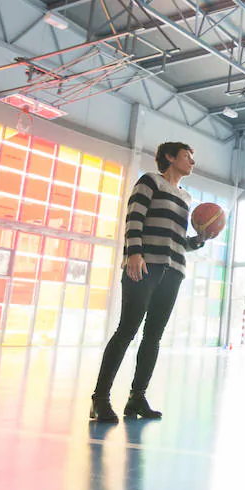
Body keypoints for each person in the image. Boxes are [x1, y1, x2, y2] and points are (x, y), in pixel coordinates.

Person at [91, 142, 210, 424]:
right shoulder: (150, 182)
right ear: (170, 157)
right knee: (126, 331)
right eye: (187, 156)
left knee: (153, 336)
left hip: (174, 271)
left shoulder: (186, 197)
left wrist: (200, 240)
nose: (192, 162)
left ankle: (137, 398)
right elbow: (135, 217)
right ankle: (100, 399)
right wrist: (134, 252)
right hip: (144, 266)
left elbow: (179, 240)